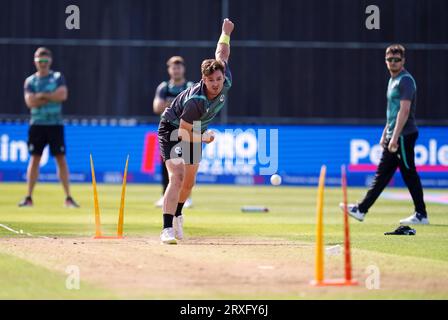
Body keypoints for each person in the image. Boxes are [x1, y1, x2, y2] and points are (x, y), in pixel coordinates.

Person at [158, 18, 234, 244]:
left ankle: (178, 213)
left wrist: (225, 32)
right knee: (177, 176)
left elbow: (222, 53)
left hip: (196, 128)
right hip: (173, 128)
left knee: (189, 183)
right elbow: (182, 134)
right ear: (204, 79)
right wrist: (206, 138)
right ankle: (166, 228)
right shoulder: (196, 101)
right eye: (211, 80)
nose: (216, 84)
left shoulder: (225, 79)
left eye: (219, 79)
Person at [341, 44, 428, 225]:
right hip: (395, 135)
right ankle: (361, 209)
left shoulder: (405, 80)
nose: (393, 63)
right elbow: (392, 111)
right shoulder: (392, 80)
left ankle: (421, 214)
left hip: (404, 135)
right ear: (385, 60)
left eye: (397, 60)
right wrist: (385, 134)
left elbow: (404, 111)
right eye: (390, 59)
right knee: (383, 174)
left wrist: (395, 137)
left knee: (409, 173)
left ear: (403, 61)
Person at [19, 47, 80, 208]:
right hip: (37, 124)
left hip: (55, 124)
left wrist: (41, 96)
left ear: (50, 61)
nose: (43, 64)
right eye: (40, 61)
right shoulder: (30, 81)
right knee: (35, 159)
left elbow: (62, 95)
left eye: (45, 61)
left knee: (61, 159)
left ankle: (68, 197)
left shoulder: (57, 77)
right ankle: (28, 197)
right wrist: (50, 96)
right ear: (35, 62)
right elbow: (30, 102)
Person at [153, 56, 193, 208]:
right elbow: (157, 107)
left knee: (187, 164)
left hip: (187, 130)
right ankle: (165, 195)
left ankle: (186, 197)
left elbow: (192, 106)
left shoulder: (189, 86)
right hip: (168, 130)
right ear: (169, 70)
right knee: (166, 165)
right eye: (173, 67)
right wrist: (178, 104)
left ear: (183, 69)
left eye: (179, 67)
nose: (176, 70)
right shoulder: (164, 87)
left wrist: (170, 104)